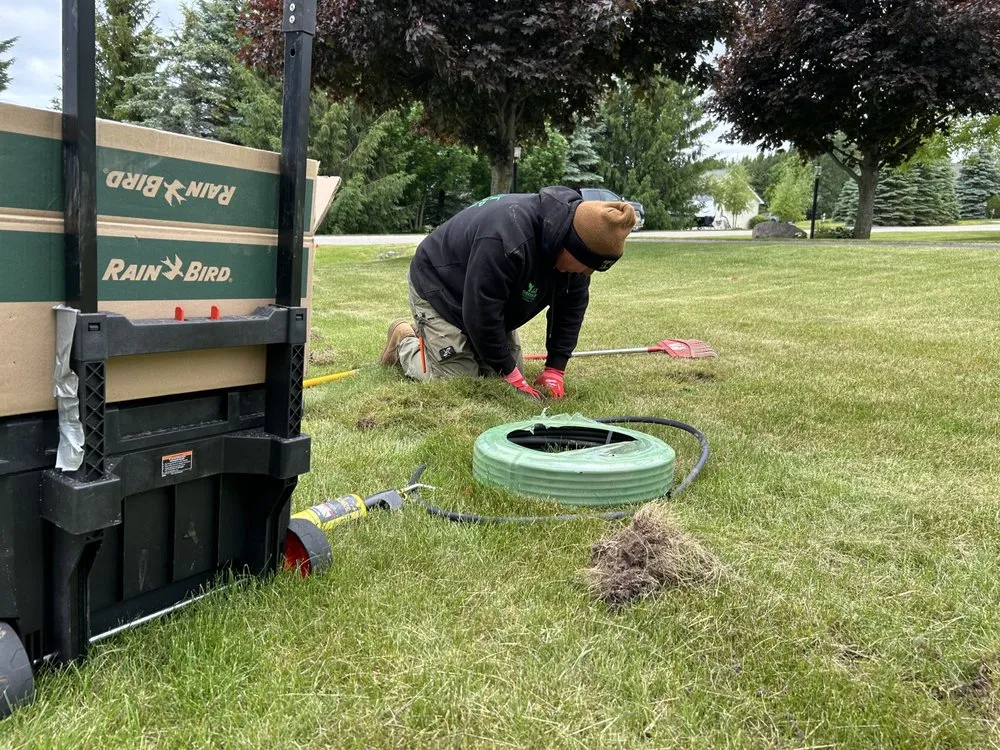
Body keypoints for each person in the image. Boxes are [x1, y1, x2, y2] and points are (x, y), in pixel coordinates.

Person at [380, 186, 635, 399]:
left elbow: (570, 311)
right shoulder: (507, 237)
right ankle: (405, 341)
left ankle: (450, 343)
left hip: (484, 299)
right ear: (568, 246)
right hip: (439, 286)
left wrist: (555, 370)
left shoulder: (576, 253)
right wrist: (508, 371)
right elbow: (481, 312)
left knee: (501, 377)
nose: (588, 273)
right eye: (587, 265)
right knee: (459, 378)